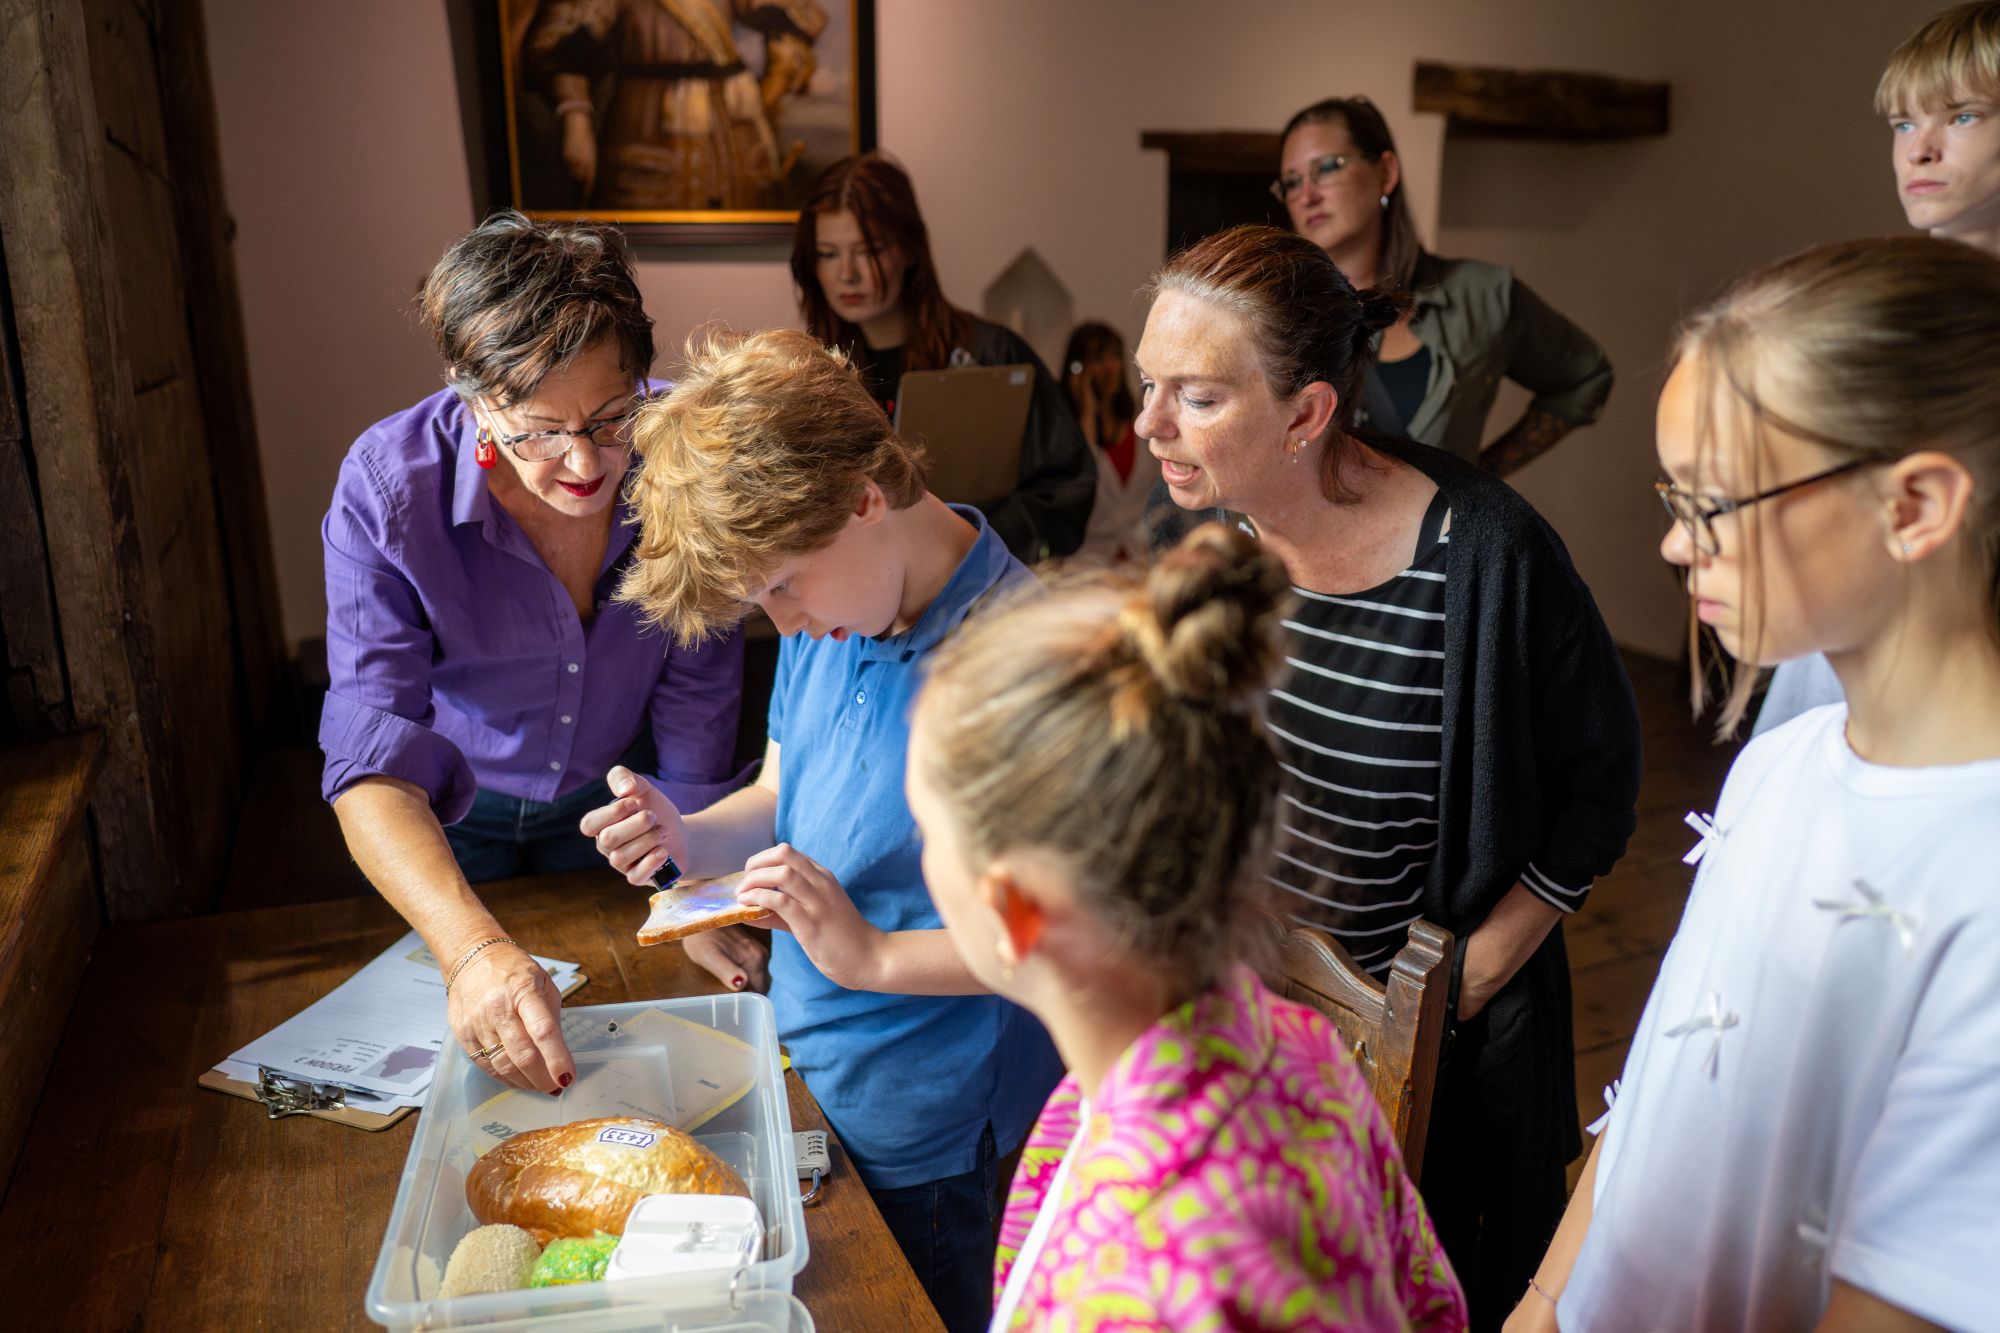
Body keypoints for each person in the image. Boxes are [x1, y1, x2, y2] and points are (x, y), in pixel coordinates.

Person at [1137, 223, 1642, 1330]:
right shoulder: (1216, 541)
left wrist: (1463, 978)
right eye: (1147, 387)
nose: (1148, 426)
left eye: (1194, 397)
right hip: (1265, 1042)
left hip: (1436, 1065)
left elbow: (1602, 787)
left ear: (1308, 414)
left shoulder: (1487, 557)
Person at [1510, 236, 2000, 1333]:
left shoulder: (1979, 864)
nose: (1675, 546)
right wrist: (1542, 1302)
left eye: (1712, 505)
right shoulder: (1779, 766)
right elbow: (1661, 1083)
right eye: (1672, 498)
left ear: (1913, 504)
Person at [577, 327, 1064, 1333]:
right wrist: (687, 830)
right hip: (812, 1071)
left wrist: (871, 953)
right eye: (761, 602)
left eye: (785, 584)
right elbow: (785, 794)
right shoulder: (842, 609)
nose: (786, 626)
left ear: (863, 496)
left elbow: (1049, 939)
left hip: (930, 1126)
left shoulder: (1023, 664)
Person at [905, 522, 1468, 1331]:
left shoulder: (1146, 1287)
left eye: (929, 834)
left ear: (1012, 909)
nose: (926, 860)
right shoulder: (1297, 1047)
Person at [320, 213, 744, 1096]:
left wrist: (697, 885)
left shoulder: (682, 455)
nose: (586, 463)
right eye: (539, 430)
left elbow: (699, 694)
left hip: (621, 806)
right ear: (475, 399)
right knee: (475, 1051)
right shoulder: (388, 488)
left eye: (610, 416)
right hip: (450, 815)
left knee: (631, 1042)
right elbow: (372, 764)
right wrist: (471, 949)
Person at [1756, 0, 2000, 736]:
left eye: (1960, 117)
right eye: (1902, 123)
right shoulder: (1880, 306)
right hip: (1845, 653)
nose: (1917, 150)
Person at [1275, 96, 1612, 476]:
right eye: (1291, 182)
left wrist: (1482, 479)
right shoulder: (1274, 314)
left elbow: (1586, 376)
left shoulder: (1480, 294)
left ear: (1385, 172)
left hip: (1440, 536)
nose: (1307, 195)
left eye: (1327, 168)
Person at [792, 152, 1097, 564]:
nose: (847, 273)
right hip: (858, 610)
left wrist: (968, 540)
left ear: (909, 249)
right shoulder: (811, 377)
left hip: (977, 600)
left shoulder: (990, 355)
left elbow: (1067, 488)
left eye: (868, 250)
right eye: (828, 253)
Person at [522, 0, 826, 211]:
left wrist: (781, 66)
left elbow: (794, 16)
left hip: (731, 122)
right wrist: (576, 117)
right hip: (649, 118)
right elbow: (560, 43)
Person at [1063, 320, 1160, 566]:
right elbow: (1082, 486)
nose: (1109, 367)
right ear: (1078, 368)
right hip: (1086, 566)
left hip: (1139, 560)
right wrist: (1087, 412)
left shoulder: (1140, 420)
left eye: (1113, 357)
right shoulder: (1064, 433)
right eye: (1097, 359)